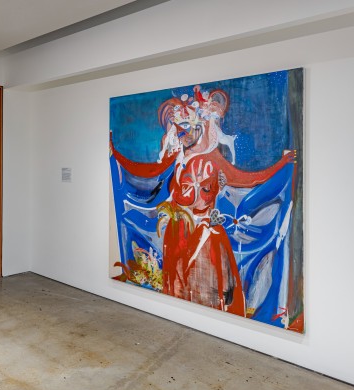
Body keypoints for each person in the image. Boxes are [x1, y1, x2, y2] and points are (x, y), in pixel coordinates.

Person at [110, 86, 295, 316]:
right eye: (180, 127)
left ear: (205, 126)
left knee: (209, 287)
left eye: (191, 127)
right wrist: (116, 156)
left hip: (206, 235)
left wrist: (281, 165)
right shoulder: (176, 159)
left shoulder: (213, 160)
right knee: (178, 285)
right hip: (178, 232)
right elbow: (147, 171)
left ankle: (210, 319)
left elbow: (249, 179)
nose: (185, 133)